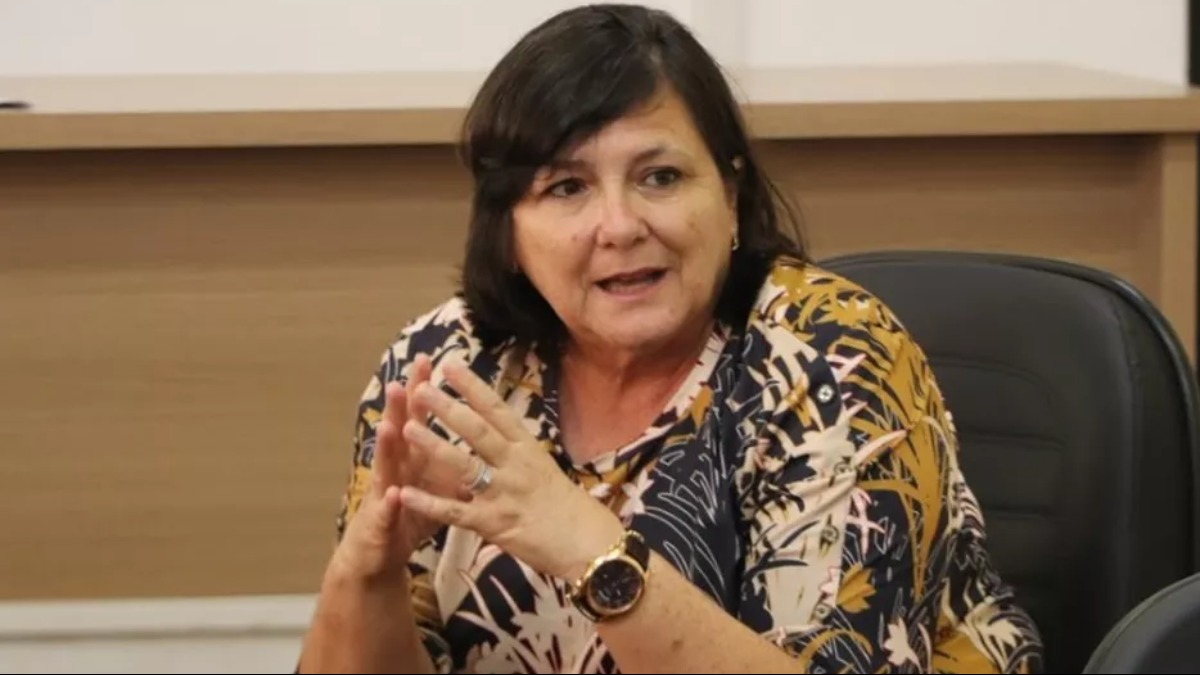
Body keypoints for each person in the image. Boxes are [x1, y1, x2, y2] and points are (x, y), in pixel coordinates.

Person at [297, 4, 1044, 673]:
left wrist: (590, 549)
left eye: (659, 177)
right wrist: (366, 572)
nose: (620, 226)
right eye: (567, 188)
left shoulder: (830, 363)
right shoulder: (445, 368)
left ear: (730, 194)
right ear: (508, 231)